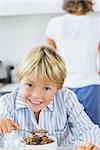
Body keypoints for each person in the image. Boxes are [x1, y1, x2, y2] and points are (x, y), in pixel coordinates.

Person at [0, 45, 100, 147]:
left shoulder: (66, 98)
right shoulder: (7, 103)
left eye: (46, 88)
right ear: (19, 80)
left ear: (58, 88)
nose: (36, 95)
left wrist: (89, 145)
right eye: (29, 85)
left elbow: (89, 130)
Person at [45, 0, 100, 126]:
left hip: (64, 83)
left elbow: (50, 55)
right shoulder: (97, 22)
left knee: (65, 131)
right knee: (92, 130)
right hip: (90, 83)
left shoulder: (55, 23)